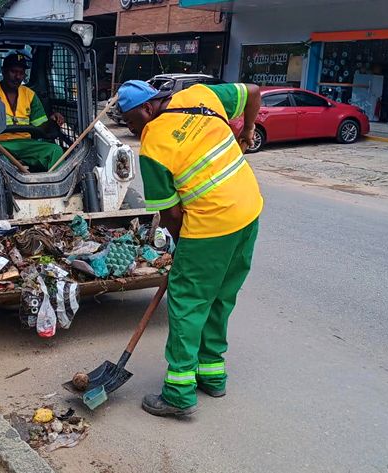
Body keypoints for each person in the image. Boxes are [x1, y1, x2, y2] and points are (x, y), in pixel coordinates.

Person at [117, 79, 263, 417]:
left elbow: (171, 213)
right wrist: (247, 131)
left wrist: (184, 248)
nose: (131, 128)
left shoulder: (153, 146)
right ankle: (212, 374)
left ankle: (179, 392)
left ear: (148, 108)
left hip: (212, 224)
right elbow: (253, 92)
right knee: (222, 295)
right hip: (248, 212)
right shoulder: (201, 94)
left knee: (187, 301)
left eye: (130, 120)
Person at [0, 52, 65, 172]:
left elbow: (41, 128)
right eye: (13, 71)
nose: (18, 77)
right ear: (3, 71)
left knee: (56, 150)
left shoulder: (29, 95)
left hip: (26, 144)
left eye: (21, 73)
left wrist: (52, 120)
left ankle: (57, 187)